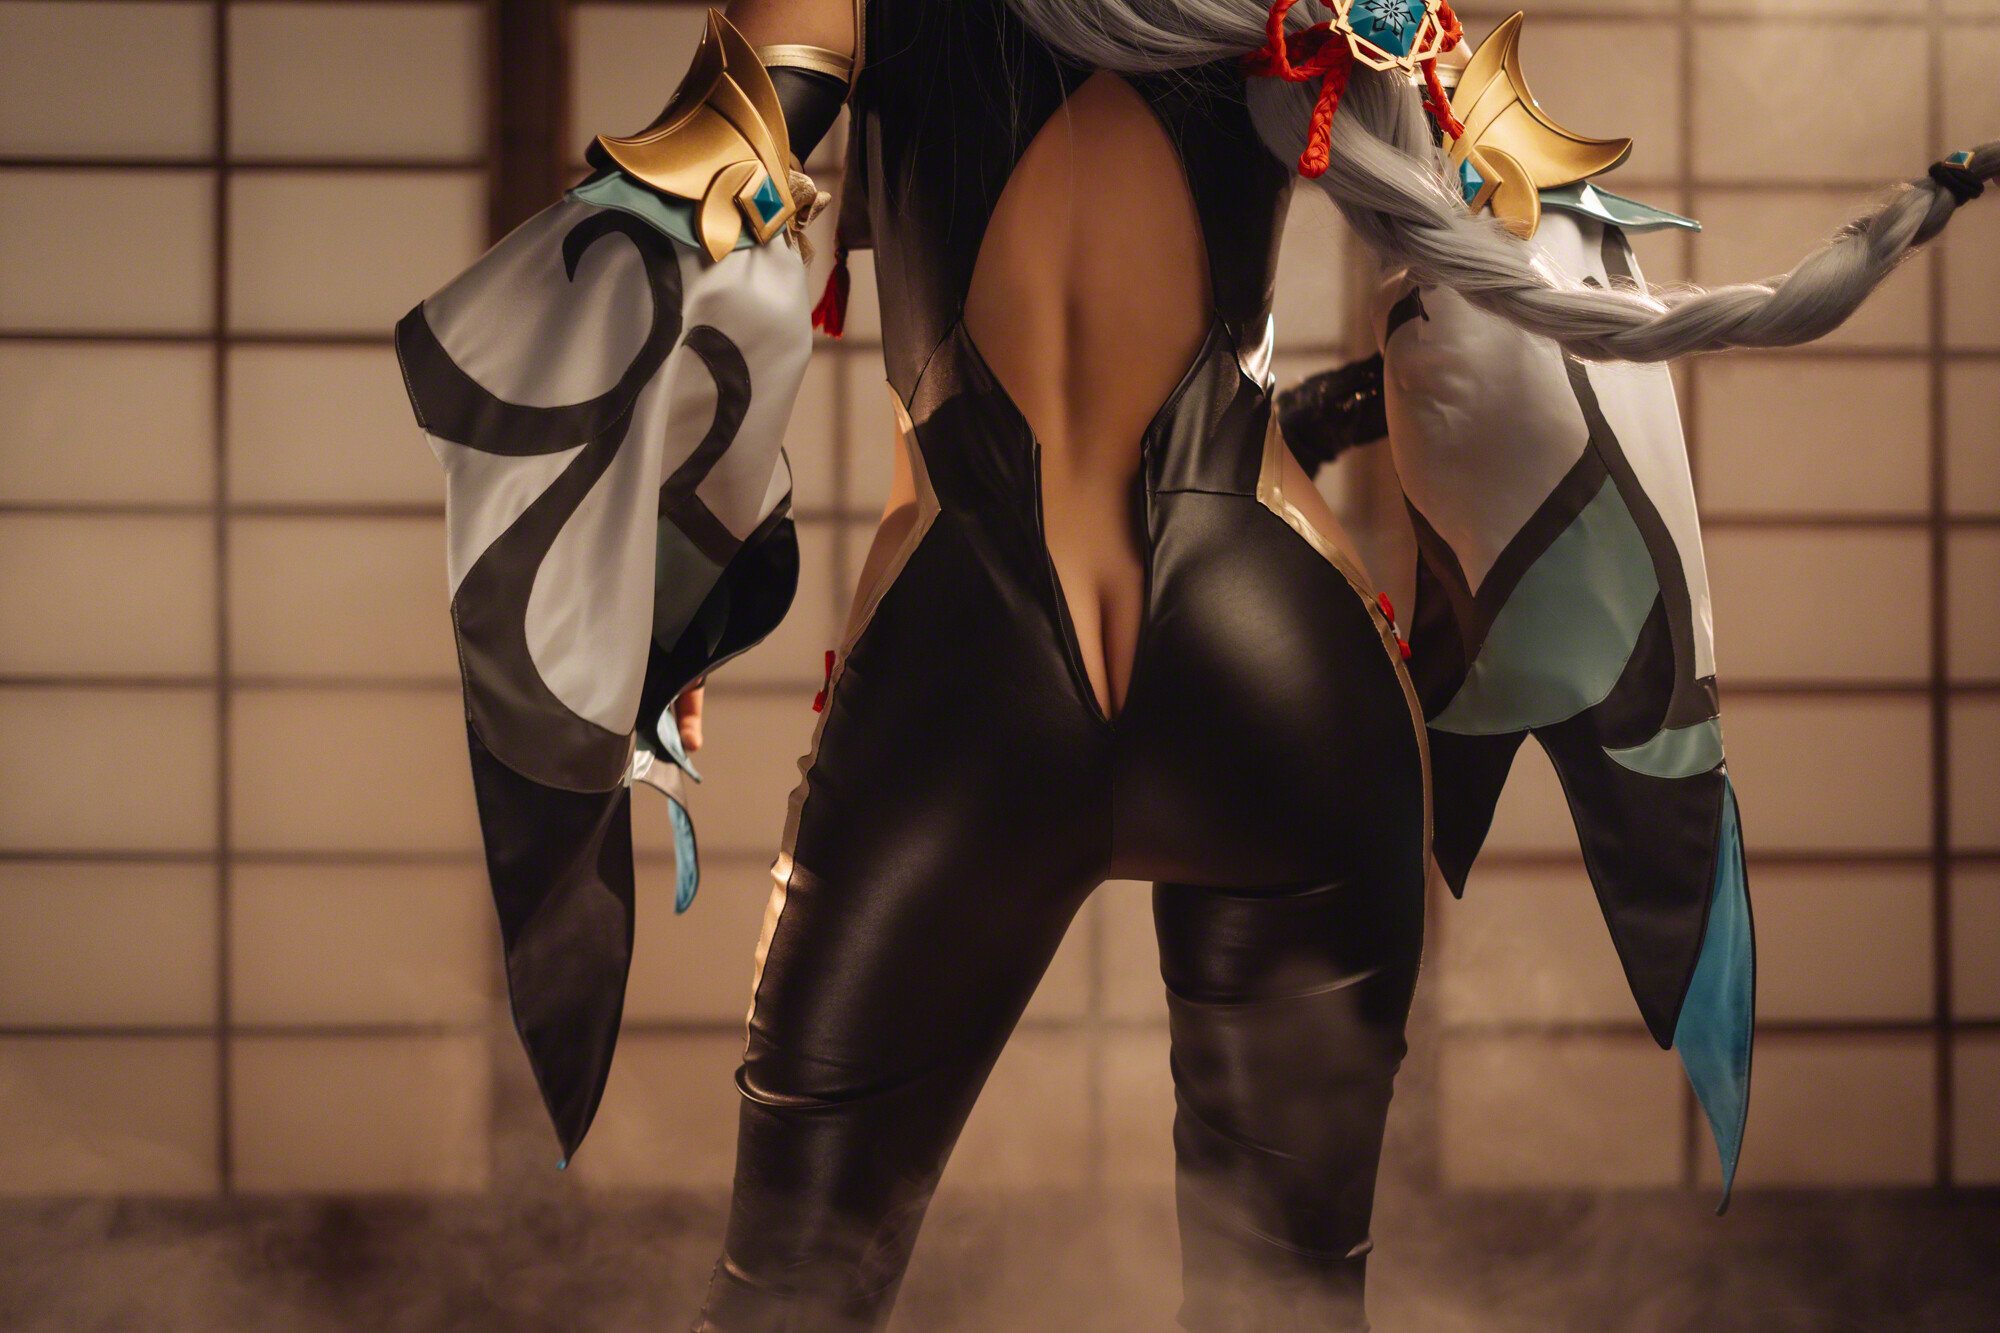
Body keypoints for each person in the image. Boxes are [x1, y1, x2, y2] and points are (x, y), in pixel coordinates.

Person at [393, 2, 1992, 1328]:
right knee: (1283, 1305)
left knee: (787, 1302)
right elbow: (1509, 280)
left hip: (965, 669)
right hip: (1278, 650)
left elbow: (683, 227)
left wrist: (637, 596)